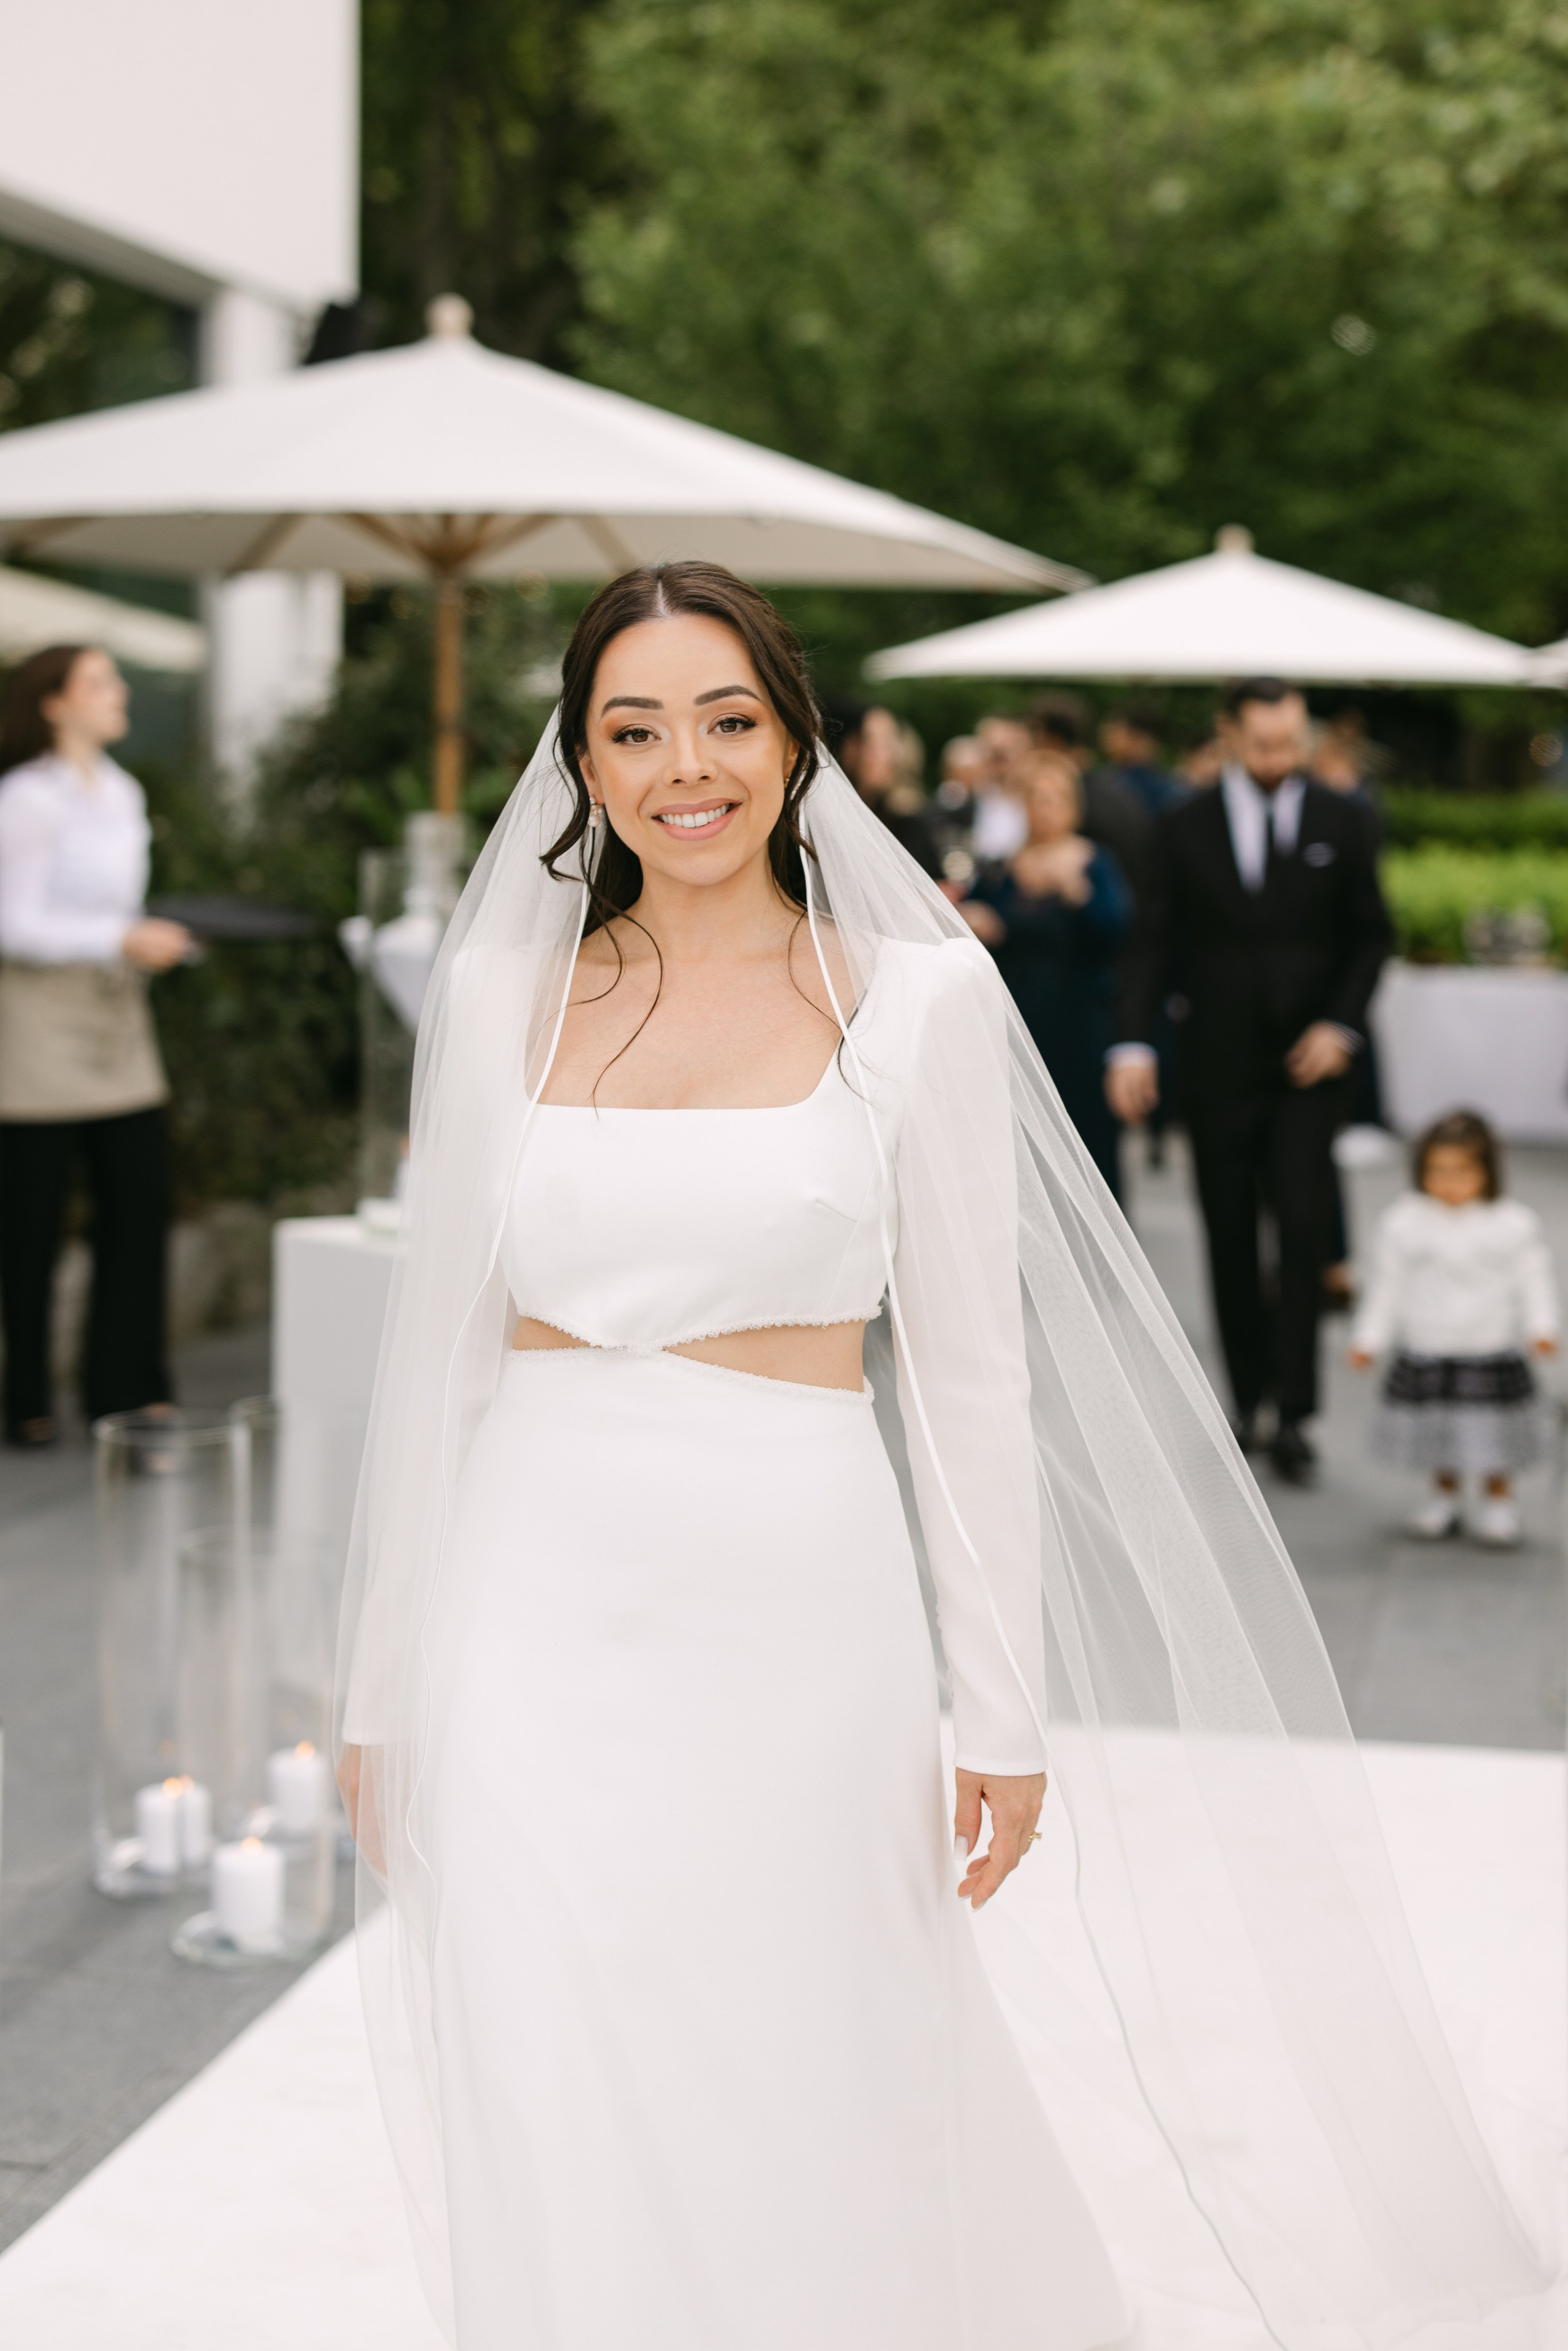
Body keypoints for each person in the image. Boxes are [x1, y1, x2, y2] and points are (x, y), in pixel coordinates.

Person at [336, 570, 1547, 2351]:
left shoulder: (918, 1000)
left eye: (726, 719)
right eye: (632, 728)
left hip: (795, 1597)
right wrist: (381, 1683)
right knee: (540, 2033)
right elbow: (433, 1365)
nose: (685, 766)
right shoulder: (496, 993)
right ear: (581, 763)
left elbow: (972, 1375)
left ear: (794, 737)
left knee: (810, 2034)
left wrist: (1001, 1706)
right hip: (527, 1592)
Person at [1107, 677, 1393, 1484]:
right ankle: (1247, 1400)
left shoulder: (1344, 817)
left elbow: (1371, 937)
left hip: (1310, 1066)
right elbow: (1151, 941)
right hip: (1216, 1063)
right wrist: (1131, 1045)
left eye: (1291, 742)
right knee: (1228, 1234)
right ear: (1229, 734)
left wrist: (1340, 1027)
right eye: (1264, 742)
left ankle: (1296, 1411)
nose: (1279, 757)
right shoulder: (1182, 824)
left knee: (1302, 1229)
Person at [0, 646, 190, 1446]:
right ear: (53, 703)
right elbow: (11, 922)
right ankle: (26, 1399)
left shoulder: (122, 791)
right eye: (100, 682)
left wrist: (147, 938)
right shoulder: (24, 799)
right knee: (30, 1224)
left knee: (140, 1205)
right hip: (38, 1025)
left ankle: (128, 1390)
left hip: (117, 1017)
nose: (119, 694)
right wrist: (119, 936)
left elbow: (118, 906)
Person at [1349, 1111, 1559, 1546]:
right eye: (1437, 1171)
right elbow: (1387, 1285)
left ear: (1488, 1172)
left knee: (1492, 1435)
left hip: (1488, 1345)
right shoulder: (1405, 1223)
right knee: (1439, 1431)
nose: (1448, 1183)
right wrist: (1369, 1338)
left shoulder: (1511, 1224)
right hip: (1428, 1344)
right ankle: (1444, 1498)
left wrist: (1542, 1326)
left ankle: (1499, 1502)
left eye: (1461, 1172)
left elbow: (1534, 1279)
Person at [961, 751, 1130, 1197]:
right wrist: (976, 919)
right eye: (1035, 797)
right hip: (1016, 1021)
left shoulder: (1093, 862)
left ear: (1072, 805)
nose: (1044, 807)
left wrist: (1079, 894)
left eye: (1054, 798)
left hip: (1078, 1020)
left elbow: (1116, 934)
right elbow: (974, 919)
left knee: (1084, 1131)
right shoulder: (1001, 867)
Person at [825, 695, 943, 878]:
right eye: (874, 742)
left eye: (890, 742)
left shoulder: (903, 822)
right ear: (845, 746)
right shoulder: (825, 828)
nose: (890, 756)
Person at [1095, 700, 1187, 820]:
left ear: (1140, 737)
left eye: (1114, 731)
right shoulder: (1107, 777)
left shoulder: (1166, 789)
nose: (1107, 737)